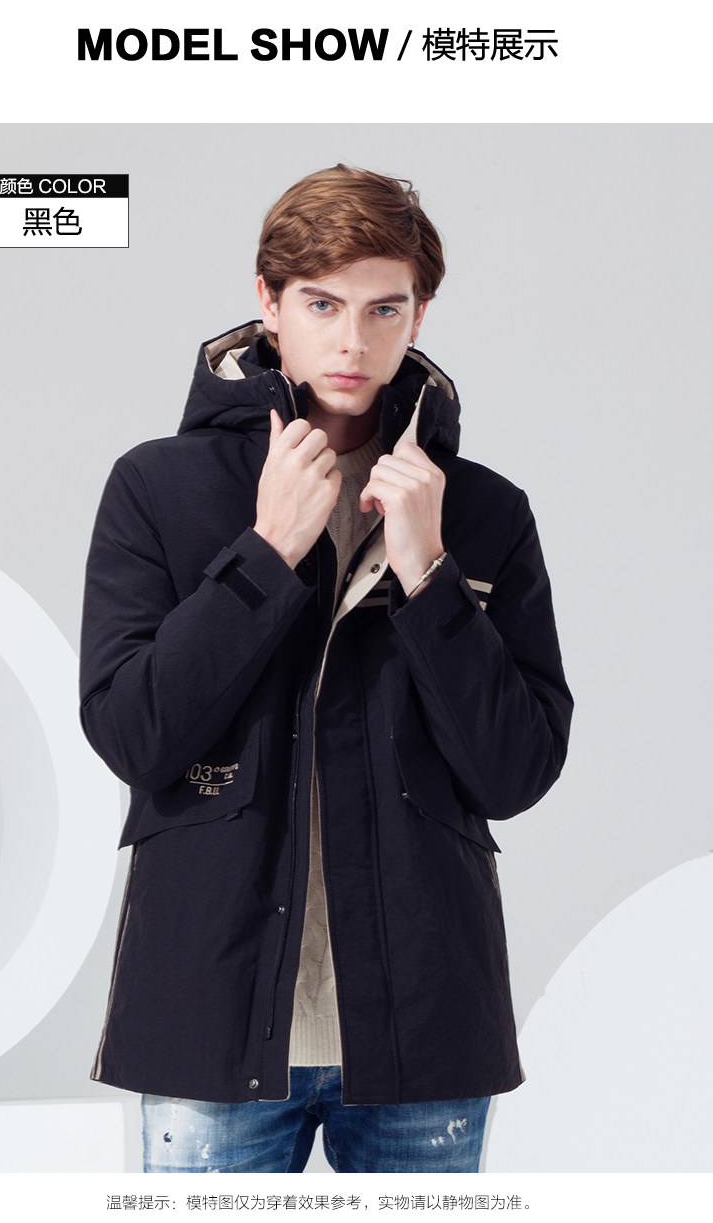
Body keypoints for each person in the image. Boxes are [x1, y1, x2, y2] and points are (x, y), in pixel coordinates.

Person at [79, 164, 573, 1173]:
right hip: (211, 1013)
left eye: (383, 308)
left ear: (419, 314)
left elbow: (516, 770)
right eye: (321, 304)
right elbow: (133, 733)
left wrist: (430, 574)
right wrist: (263, 555)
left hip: (424, 1021)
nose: (352, 342)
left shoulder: (483, 510)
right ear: (268, 302)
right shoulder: (156, 487)